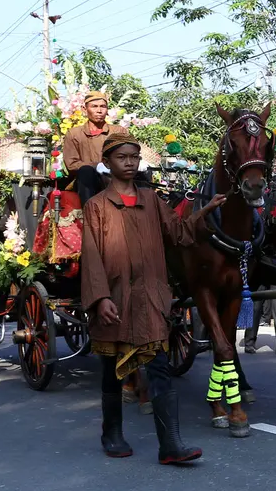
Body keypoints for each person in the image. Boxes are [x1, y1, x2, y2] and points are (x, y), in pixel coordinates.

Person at [81, 133, 221, 463]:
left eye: (134, 156)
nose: (129, 162)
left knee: (159, 368)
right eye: (122, 157)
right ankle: (112, 433)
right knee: (111, 371)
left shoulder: (152, 200)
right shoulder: (97, 206)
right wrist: (100, 299)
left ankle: (170, 445)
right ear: (108, 162)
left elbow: (179, 233)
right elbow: (91, 256)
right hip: (115, 300)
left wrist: (205, 212)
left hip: (152, 300)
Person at [62, 91, 127, 205]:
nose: (99, 110)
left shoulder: (118, 131)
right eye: (94, 106)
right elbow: (71, 164)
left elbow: (127, 154)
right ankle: (90, 214)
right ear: (84, 109)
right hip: (87, 181)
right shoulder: (74, 134)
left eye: (103, 106)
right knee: (86, 171)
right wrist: (96, 166)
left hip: (114, 178)